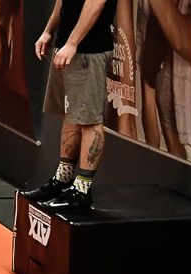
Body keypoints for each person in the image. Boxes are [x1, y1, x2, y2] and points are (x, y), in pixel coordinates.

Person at [22, 0, 118, 211]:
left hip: (89, 51)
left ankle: (82, 189)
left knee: (89, 121)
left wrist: (73, 43)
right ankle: (64, 179)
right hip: (66, 45)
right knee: (69, 115)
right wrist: (49, 31)